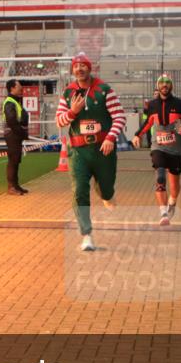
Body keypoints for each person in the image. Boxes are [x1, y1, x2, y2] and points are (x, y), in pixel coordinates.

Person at [55, 52, 126, 251]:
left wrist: (111, 137)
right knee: (79, 190)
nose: (79, 69)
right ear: (72, 70)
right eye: (76, 66)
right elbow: (59, 121)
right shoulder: (68, 93)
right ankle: (86, 234)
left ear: (89, 67)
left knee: (106, 188)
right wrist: (73, 112)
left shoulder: (104, 90)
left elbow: (119, 116)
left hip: (103, 150)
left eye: (82, 65)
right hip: (78, 152)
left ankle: (106, 194)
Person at [133, 74, 181, 226]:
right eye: (161, 83)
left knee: (174, 185)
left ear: (171, 85)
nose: (164, 85)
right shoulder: (151, 105)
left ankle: (172, 201)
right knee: (160, 177)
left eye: (167, 83)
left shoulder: (180, 104)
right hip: (158, 146)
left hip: (176, 149)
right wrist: (137, 135)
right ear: (158, 86)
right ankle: (163, 213)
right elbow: (148, 122)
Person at [2, 79, 29, 195]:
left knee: (16, 160)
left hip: (15, 134)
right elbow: (12, 121)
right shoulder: (10, 102)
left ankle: (16, 185)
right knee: (13, 160)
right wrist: (22, 133)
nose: (21, 88)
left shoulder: (15, 101)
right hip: (13, 134)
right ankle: (11, 187)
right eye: (19, 86)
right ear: (12, 88)